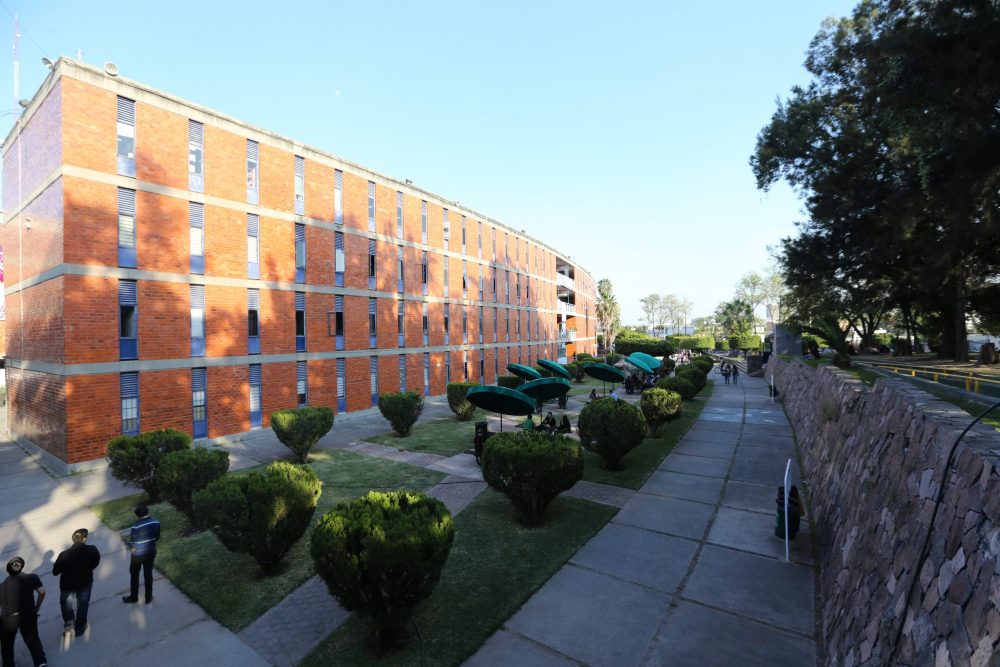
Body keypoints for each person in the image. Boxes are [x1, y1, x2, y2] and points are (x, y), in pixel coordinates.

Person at [0, 556, 47, 667]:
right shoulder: (32, 577)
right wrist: (37, 607)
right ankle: (41, 663)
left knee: (7, 645)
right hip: (28, 614)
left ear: (8, 571)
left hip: (8, 619)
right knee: (33, 640)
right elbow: (42, 592)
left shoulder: (1, 586)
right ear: (22, 567)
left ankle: (8, 665)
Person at [53, 528, 101, 637]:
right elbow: (96, 562)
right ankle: (80, 627)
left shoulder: (63, 555)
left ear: (73, 540)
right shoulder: (92, 550)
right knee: (83, 604)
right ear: (84, 539)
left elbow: (55, 572)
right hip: (85, 583)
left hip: (67, 585)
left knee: (66, 605)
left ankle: (69, 627)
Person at [122, 505, 160, 604]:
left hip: (138, 555)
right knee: (148, 574)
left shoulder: (136, 526)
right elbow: (157, 537)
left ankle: (134, 597)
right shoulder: (156, 522)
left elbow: (133, 542)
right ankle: (148, 597)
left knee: (134, 575)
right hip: (151, 551)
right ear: (148, 512)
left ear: (137, 516)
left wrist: (131, 547)